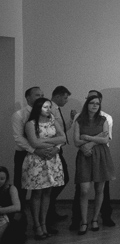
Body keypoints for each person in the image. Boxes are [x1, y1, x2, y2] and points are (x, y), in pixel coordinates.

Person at [21, 98, 65, 240]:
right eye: (45, 107)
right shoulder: (31, 124)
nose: (49, 109)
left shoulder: (53, 121)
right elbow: (34, 143)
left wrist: (45, 141)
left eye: (49, 107)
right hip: (37, 161)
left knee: (47, 192)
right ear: (38, 108)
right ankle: (37, 225)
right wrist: (53, 142)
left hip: (52, 160)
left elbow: (63, 138)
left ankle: (44, 223)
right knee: (37, 193)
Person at [73, 94, 114, 234]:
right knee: (84, 190)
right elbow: (76, 142)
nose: (95, 105)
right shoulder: (79, 120)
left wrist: (88, 138)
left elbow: (106, 139)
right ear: (87, 105)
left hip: (101, 155)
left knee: (99, 189)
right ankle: (84, 221)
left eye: (97, 103)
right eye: (92, 103)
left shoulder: (103, 120)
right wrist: (96, 138)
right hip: (84, 155)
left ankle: (95, 219)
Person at [11, 86, 47, 230]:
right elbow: (18, 137)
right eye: (37, 95)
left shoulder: (46, 113)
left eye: (42, 95)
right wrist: (34, 150)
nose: (41, 97)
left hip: (43, 154)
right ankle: (20, 225)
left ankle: (42, 221)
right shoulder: (19, 115)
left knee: (42, 188)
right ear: (28, 98)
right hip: (24, 154)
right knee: (21, 188)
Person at [47, 85, 72, 231]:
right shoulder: (50, 109)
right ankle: (48, 210)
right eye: (65, 97)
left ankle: (51, 209)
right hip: (53, 149)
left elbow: (61, 130)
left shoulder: (57, 109)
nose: (66, 100)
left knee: (61, 179)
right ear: (57, 96)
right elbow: (52, 131)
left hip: (58, 147)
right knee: (59, 179)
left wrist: (71, 120)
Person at [0, 166, 23, 244]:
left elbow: (17, 207)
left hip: (9, 215)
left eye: (2, 179)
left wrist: (1, 210)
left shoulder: (11, 189)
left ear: (6, 179)